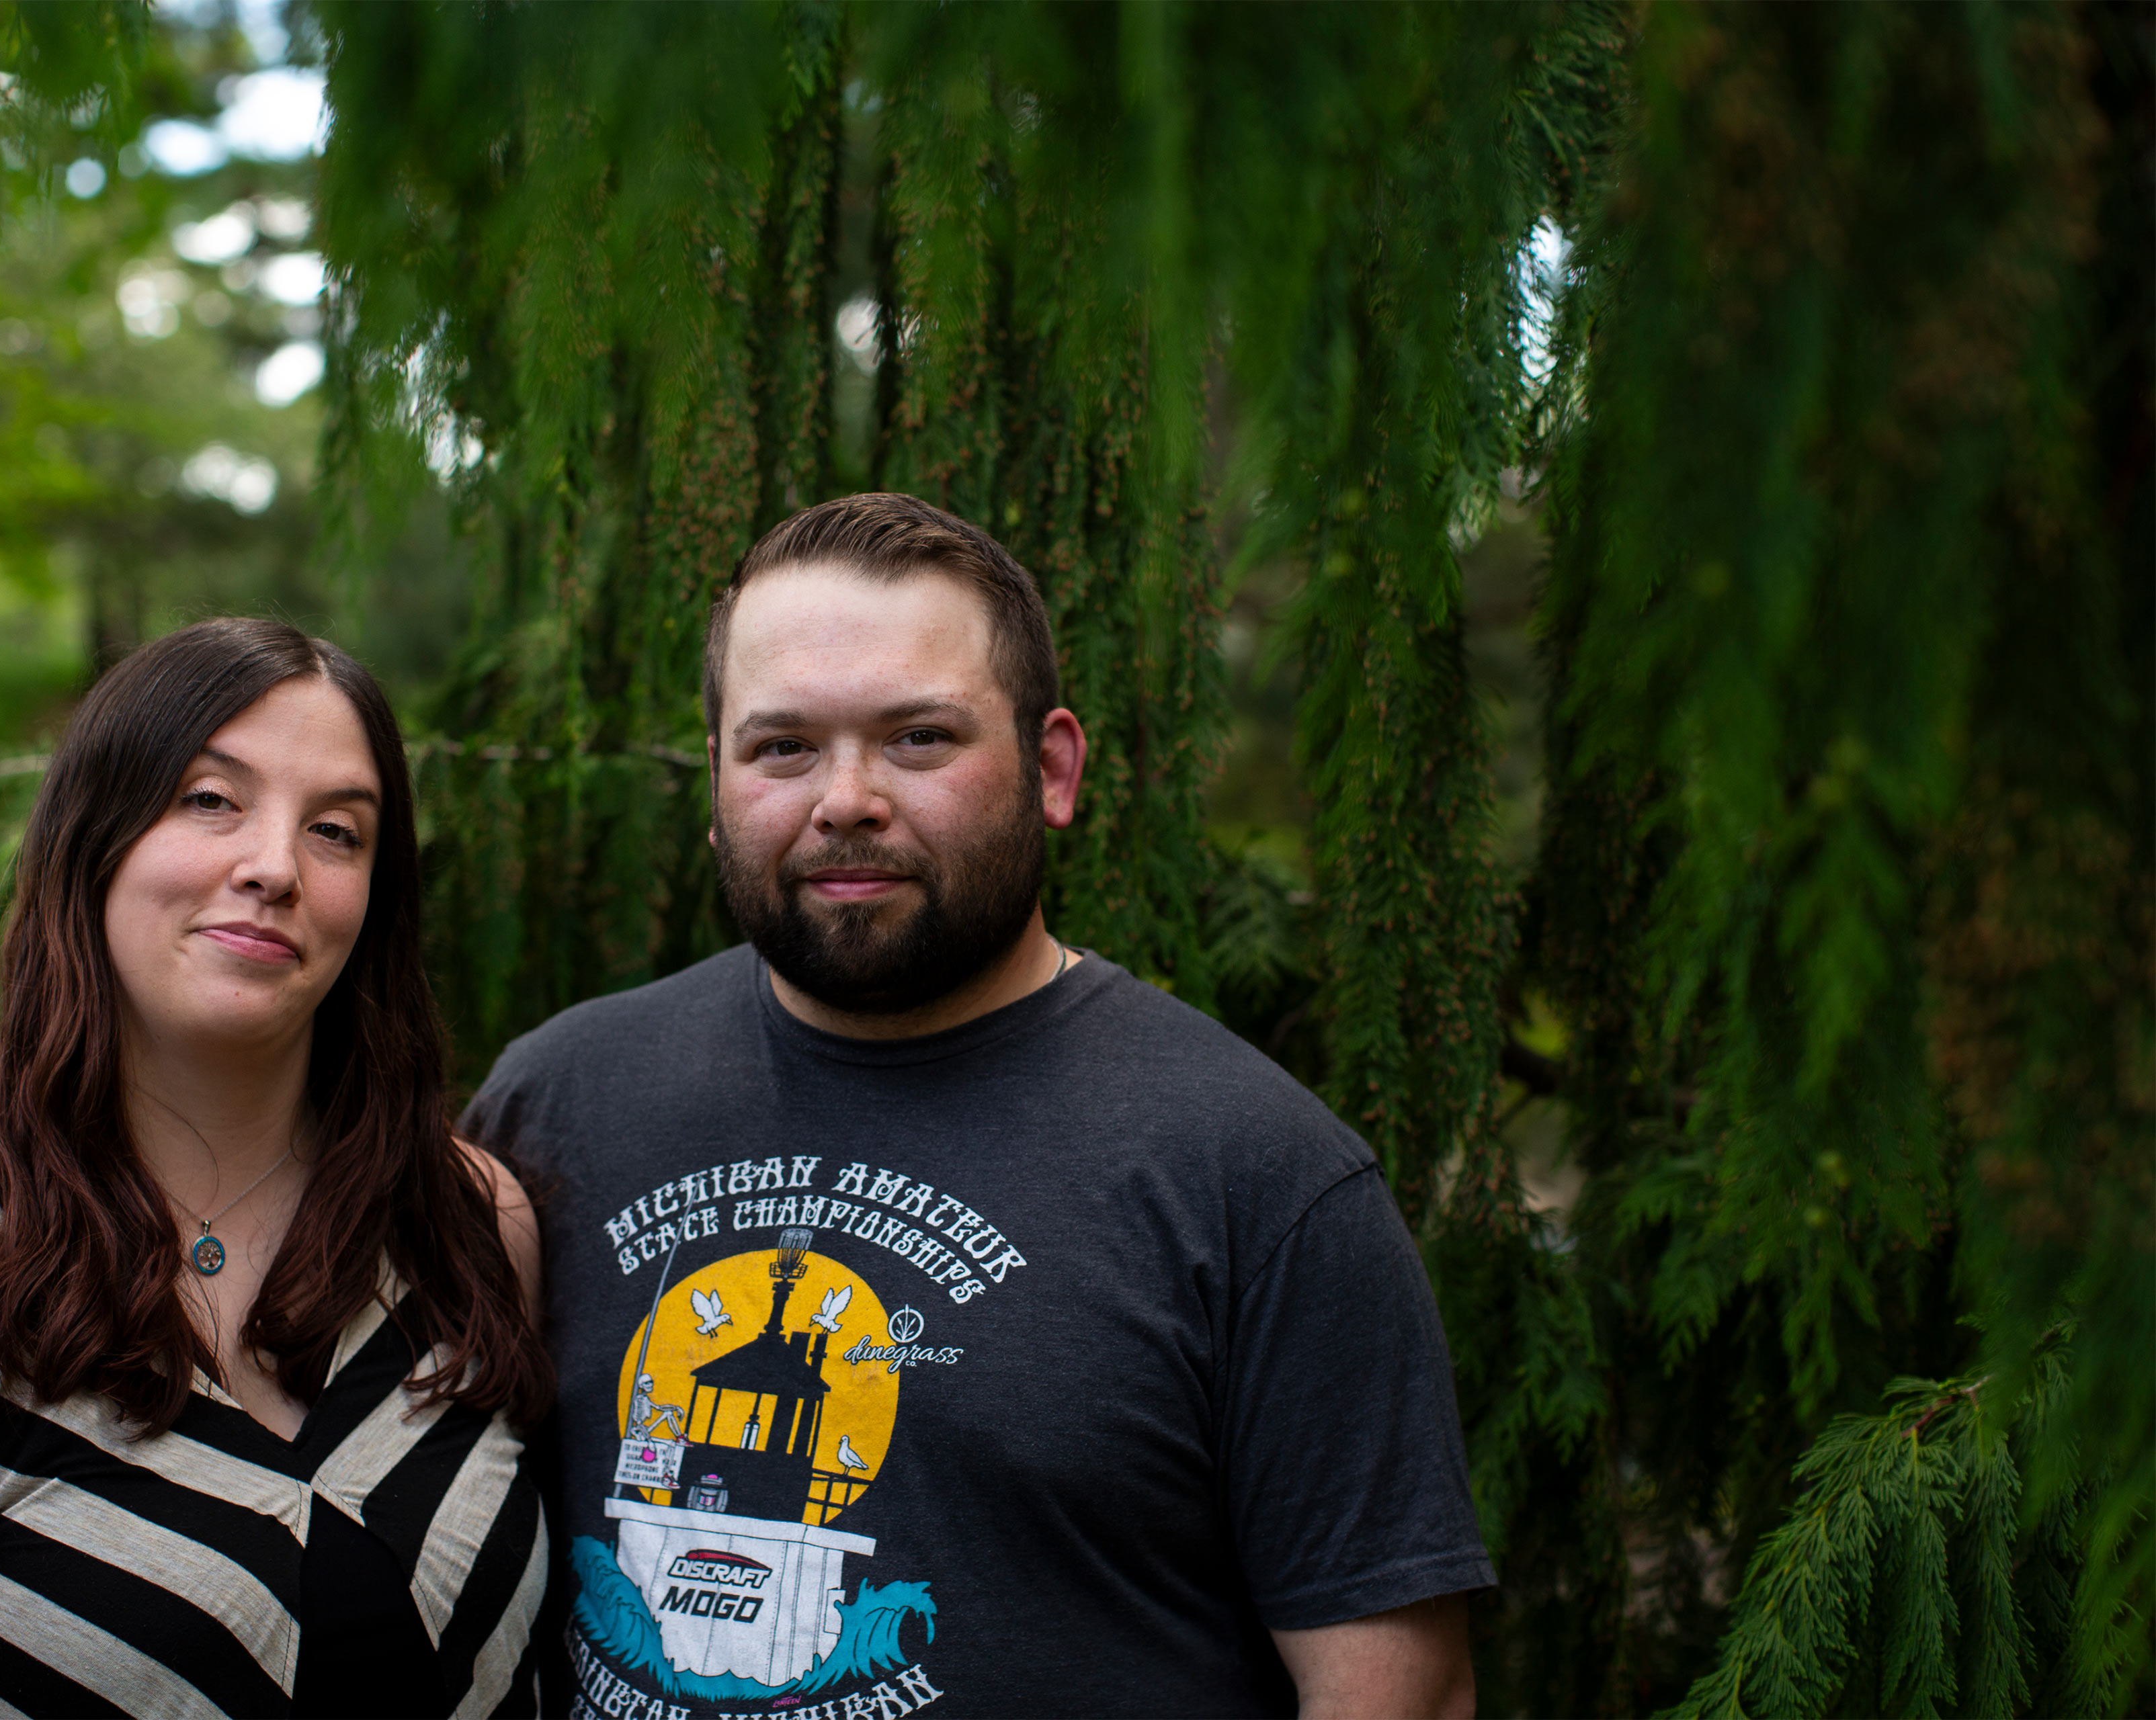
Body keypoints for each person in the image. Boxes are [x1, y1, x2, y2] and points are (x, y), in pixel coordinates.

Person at [461, 494, 1494, 1719]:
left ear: (1053, 769)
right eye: (782, 746)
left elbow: (1398, 1695)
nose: (844, 798)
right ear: (718, 786)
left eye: (918, 739)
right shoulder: (557, 1101)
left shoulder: (1257, 1176)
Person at [0, 618, 554, 1719]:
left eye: (337, 832)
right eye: (209, 800)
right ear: (95, 836)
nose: (275, 867)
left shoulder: (465, 1223)